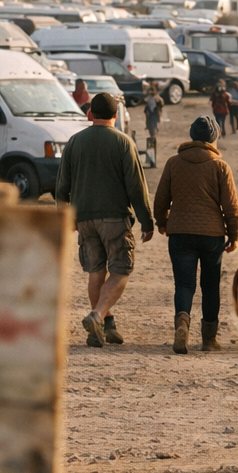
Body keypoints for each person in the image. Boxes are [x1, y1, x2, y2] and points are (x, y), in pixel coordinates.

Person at [54, 92, 154, 348]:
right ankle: (98, 315)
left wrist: (66, 217)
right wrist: (146, 221)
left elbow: (61, 187)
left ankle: (104, 327)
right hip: (114, 218)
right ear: (116, 116)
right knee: (121, 269)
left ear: (90, 114)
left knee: (96, 271)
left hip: (84, 219)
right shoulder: (123, 142)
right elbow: (136, 187)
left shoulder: (75, 142)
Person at [153, 115, 238, 354]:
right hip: (212, 235)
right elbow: (231, 206)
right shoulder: (220, 166)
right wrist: (234, 235)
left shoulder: (173, 163)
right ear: (214, 139)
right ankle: (209, 339)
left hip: (180, 232)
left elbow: (160, 199)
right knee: (210, 285)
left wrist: (162, 223)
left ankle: (182, 323)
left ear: (192, 136)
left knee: (184, 284)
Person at [142, 84, 163, 151]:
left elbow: (161, 104)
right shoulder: (148, 98)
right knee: (150, 127)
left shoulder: (157, 98)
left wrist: (159, 100)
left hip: (155, 114)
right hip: (150, 115)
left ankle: (153, 138)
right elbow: (146, 107)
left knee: (154, 127)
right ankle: (152, 138)